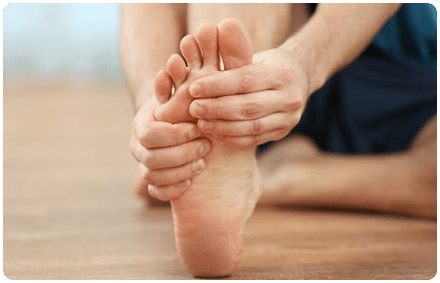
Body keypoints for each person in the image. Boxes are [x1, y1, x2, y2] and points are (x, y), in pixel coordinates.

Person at [119, 4, 437, 278]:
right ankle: (223, 108)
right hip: (265, 80)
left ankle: (274, 173)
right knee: (228, 37)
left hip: (375, 58)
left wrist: (303, 63)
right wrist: (152, 105)